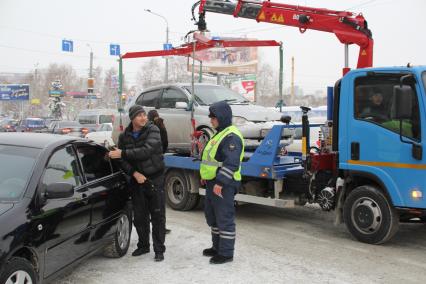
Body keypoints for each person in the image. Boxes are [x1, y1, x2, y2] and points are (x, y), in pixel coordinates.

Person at [109, 105, 166, 262]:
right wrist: (134, 173)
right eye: (139, 115)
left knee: (157, 215)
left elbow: (146, 151)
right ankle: (143, 245)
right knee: (140, 216)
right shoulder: (124, 136)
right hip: (136, 180)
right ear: (132, 118)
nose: (143, 118)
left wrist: (122, 152)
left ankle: (159, 249)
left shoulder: (153, 130)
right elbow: (122, 161)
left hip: (155, 179)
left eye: (144, 115)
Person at [200, 101, 244, 264]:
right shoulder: (220, 133)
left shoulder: (231, 136)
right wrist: (206, 175)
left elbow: (231, 163)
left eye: (213, 117)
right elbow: (212, 159)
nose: (211, 120)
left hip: (224, 184)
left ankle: (226, 253)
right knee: (213, 216)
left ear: (222, 117)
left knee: (224, 218)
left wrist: (220, 183)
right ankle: (217, 247)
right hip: (213, 182)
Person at [147, 109, 171, 235]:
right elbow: (166, 144)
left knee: (147, 200)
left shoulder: (149, 128)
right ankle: (162, 226)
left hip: (148, 167)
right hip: (159, 166)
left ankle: (146, 226)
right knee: (159, 201)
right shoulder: (162, 126)